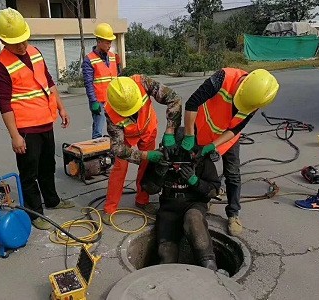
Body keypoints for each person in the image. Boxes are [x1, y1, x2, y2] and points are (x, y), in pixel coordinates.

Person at [0, 8, 74, 231]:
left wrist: (61, 108)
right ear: (2, 39)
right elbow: (4, 104)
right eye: (16, 42)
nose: (22, 46)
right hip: (26, 129)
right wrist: (14, 136)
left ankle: (53, 200)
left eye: (24, 40)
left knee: (48, 166)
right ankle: (35, 212)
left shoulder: (35, 52)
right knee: (29, 173)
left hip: (46, 122)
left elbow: (49, 82)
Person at [181, 68, 280, 236]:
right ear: (243, 84)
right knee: (197, 163)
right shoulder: (222, 78)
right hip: (202, 128)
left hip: (228, 137)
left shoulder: (255, 100)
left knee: (232, 173)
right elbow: (192, 103)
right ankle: (201, 199)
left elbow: (236, 129)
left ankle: (233, 214)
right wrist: (189, 135)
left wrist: (213, 146)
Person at [101, 75, 182, 224]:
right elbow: (118, 148)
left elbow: (174, 98)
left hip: (147, 130)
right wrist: (145, 155)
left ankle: (142, 200)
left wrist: (170, 130)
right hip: (125, 136)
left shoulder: (143, 83)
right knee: (120, 168)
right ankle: (110, 208)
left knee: (146, 167)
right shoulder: (110, 111)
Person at [154, 129, 222, 272]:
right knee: (167, 256)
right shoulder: (162, 158)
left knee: (193, 219)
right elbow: (149, 189)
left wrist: (195, 181)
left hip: (193, 203)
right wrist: (159, 173)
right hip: (169, 208)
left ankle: (209, 264)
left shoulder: (201, 158)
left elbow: (214, 190)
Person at [82, 23, 121, 139]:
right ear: (98, 41)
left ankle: (114, 150)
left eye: (110, 42)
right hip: (98, 101)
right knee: (98, 129)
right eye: (107, 42)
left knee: (115, 128)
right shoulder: (89, 60)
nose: (110, 45)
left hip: (112, 99)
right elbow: (88, 83)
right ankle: (96, 151)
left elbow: (117, 77)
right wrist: (93, 101)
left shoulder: (113, 56)